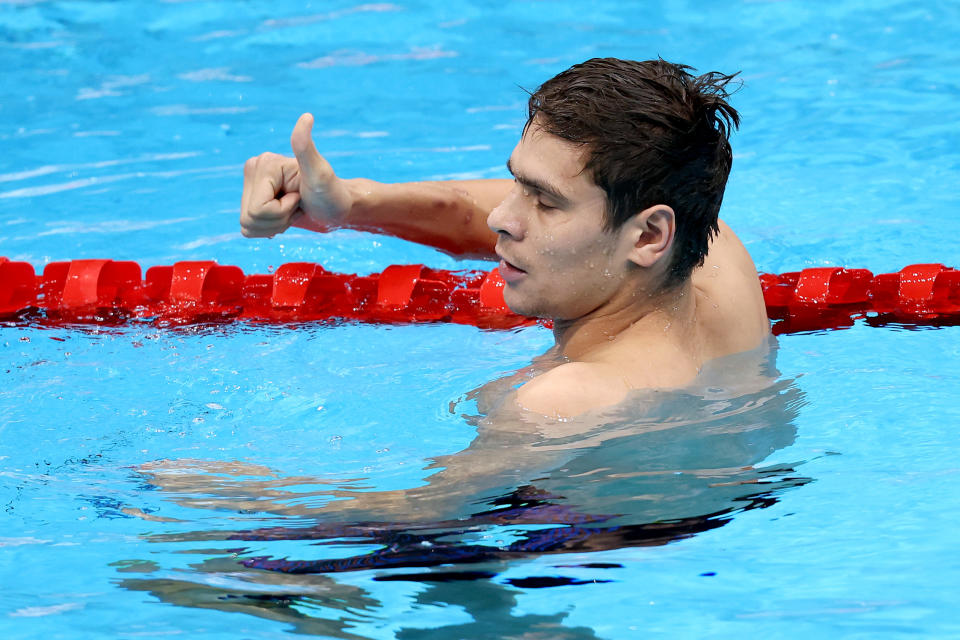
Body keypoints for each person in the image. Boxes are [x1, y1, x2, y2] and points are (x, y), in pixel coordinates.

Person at [239, 57, 770, 419]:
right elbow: (474, 210)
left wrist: (224, 495)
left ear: (649, 235)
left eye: (543, 200)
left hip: (572, 547)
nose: (499, 216)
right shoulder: (716, 253)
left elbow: (419, 524)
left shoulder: (568, 401)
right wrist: (349, 201)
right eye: (517, 181)